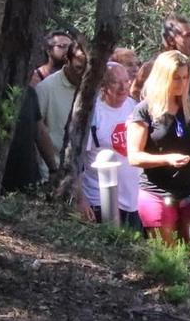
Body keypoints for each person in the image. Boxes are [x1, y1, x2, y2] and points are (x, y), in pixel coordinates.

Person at [129, 51, 190, 263]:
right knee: (168, 260)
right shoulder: (144, 111)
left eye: (185, 77)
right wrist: (167, 159)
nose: (182, 83)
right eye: (176, 78)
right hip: (157, 194)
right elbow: (134, 156)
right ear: (163, 78)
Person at [80, 62, 143, 227]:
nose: (123, 87)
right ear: (103, 85)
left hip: (133, 199)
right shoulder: (93, 114)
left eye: (126, 81)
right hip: (100, 199)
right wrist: (81, 199)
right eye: (116, 82)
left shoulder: (135, 108)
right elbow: (76, 161)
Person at [33, 40, 87, 176]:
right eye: (79, 67)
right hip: (55, 171)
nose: (84, 73)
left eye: (88, 68)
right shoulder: (46, 89)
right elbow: (36, 131)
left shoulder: (95, 88)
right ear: (67, 60)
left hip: (89, 173)